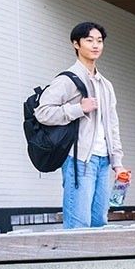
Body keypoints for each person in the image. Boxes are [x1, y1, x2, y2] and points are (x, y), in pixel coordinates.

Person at [34, 22, 129, 229]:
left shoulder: (106, 85)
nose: (96, 45)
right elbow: (42, 112)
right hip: (79, 160)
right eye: (89, 40)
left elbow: (112, 125)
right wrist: (78, 108)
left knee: (99, 222)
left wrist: (117, 161)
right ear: (76, 44)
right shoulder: (67, 80)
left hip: (104, 161)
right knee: (79, 225)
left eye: (99, 41)